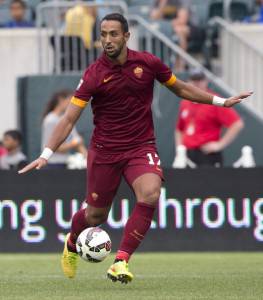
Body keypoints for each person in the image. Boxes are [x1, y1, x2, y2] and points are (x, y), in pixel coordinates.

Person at [19, 13, 252, 283]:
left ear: (126, 36)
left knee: (151, 194)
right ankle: (72, 243)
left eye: (113, 34)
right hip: (105, 151)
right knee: (95, 215)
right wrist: (46, 154)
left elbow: (181, 89)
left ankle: (120, 262)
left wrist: (221, 102)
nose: (107, 40)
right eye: (103, 34)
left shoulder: (148, 63)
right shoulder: (94, 74)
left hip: (141, 146)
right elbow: (69, 118)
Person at [174, 69, 244, 167]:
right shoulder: (185, 102)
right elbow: (179, 129)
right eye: (194, 80)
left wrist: (220, 145)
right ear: (188, 82)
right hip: (187, 154)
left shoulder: (215, 100)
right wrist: (179, 149)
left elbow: (237, 123)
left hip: (207, 154)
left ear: (205, 81)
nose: (196, 83)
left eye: (199, 80)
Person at [42, 89, 87, 169]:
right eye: (69, 101)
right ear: (61, 100)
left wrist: (87, 159)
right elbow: (52, 147)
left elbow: (77, 141)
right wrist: (73, 144)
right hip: (53, 165)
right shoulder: (50, 120)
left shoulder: (67, 120)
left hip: (66, 164)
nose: (71, 104)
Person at [150, 0, 197, 71]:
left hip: (188, 26)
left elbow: (182, 20)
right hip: (168, 28)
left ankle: (180, 67)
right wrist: (162, 4)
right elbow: (153, 18)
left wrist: (164, 25)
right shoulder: (158, 1)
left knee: (180, 30)